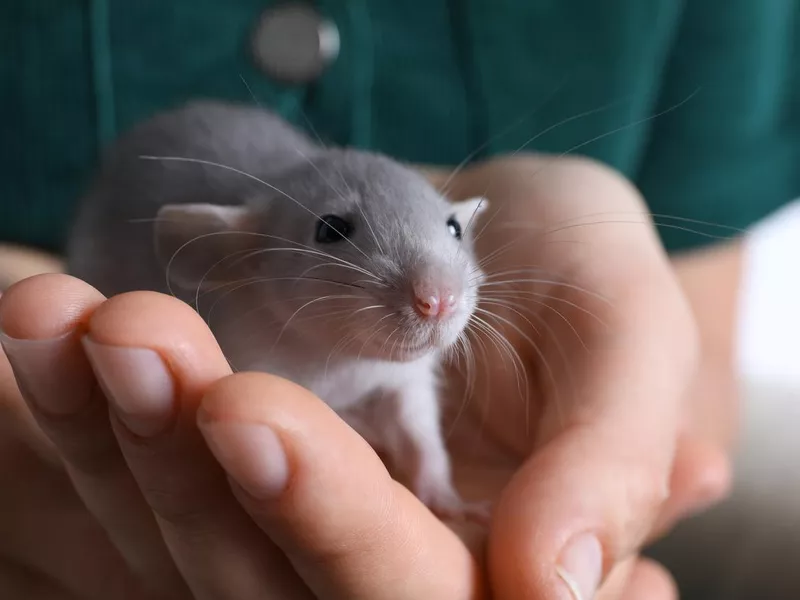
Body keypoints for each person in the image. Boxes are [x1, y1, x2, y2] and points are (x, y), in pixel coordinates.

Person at [0, 1, 797, 598]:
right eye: (336, 235)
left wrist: (438, 486)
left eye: (453, 234)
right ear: (237, 252)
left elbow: (696, 372)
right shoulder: (245, 305)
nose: (435, 299)